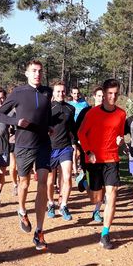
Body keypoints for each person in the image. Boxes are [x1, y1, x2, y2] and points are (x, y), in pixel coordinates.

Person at [0, 60, 53, 251]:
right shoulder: (18, 93)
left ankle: (39, 230)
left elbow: (45, 114)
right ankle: (21, 209)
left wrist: (49, 126)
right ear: (27, 73)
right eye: (34, 71)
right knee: (25, 183)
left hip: (43, 144)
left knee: (43, 183)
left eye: (40, 71)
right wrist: (16, 121)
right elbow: (0, 116)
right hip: (23, 145)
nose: (37, 74)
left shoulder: (47, 92)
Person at [78, 79, 126, 249]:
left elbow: (119, 135)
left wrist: (120, 141)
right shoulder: (92, 113)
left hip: (112, 159)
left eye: (115, 94)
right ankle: (83, 181)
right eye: (109, 94)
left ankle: (105, 233)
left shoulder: (121, 114)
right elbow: (81, 133)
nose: (112, 97)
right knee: (96, 198)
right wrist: (88, 152)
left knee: (112, 193)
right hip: (93, 159)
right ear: (104, 95)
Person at [46, 81, 76, 222]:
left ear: (66, 92)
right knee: (50, 180)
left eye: (63, 91)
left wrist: (74, 143)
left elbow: (72, 129)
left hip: (65, 147)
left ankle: (63, 205)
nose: (61, 94)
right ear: (53, 92)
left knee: (68, 177)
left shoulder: (70, 109)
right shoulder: (48, 108)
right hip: (50, 148)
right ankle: (51, 203)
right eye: (58, 91)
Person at [75, 86, 104, 222]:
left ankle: (97, 211)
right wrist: (80, 142)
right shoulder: (87, 112)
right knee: (94, 192)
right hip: (89, 153)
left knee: (104, 184)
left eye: (104, 96)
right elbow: (77, 129)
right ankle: (84, 182)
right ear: (94, 97)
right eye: (99, 96)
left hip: (106, 153)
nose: (102, 99)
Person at [68, 86, 89, 174]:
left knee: (82, 150)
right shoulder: (69, 104)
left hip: (82, 129)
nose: (76, 95)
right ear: (71, 94)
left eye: (78, 93)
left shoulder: (84, 103)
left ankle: (82, 166)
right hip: (73, 129)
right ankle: (75, 168)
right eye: (74, 93)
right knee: (74, 149)